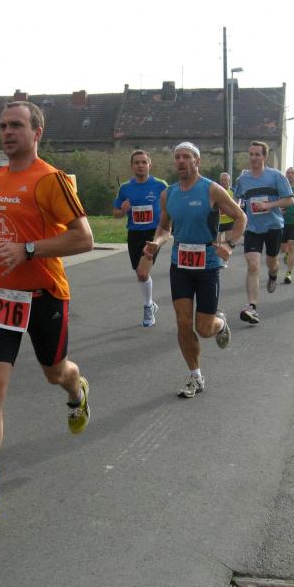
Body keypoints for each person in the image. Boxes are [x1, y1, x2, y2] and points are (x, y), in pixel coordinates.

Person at [0, 101, 94, 524]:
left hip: (45, 295)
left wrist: (28, 249)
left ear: (37, 133)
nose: (7, 132)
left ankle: (77, 391)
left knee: (56, 372)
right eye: (2, 126)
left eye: (16, 125)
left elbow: (84, 238)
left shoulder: (50, 180)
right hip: (2, 296)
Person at [143, 142, 246, 398]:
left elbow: (240, 218)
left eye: (186, 157)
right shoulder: (168, 194)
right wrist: (157, 243)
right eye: (177, 157)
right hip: (180, 264)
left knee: (204, 328)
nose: (181, 161)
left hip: (207, 265)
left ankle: (220, 324)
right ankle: (195, 376)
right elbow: (164, 227)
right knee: (183, 322)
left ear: (197, 162)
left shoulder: (211, 189)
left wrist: (230, 244)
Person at [234, 141, 294, 324]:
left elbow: (289, 200)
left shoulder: (276, 177)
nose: (253, 158)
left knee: (272, 262)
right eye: (251, 154)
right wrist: (236, 211)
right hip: (253, 228)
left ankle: (273, 274)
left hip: (273, 226)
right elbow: (237, 199)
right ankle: (252, 307)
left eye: (257, 154)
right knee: (253, 265)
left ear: (264, 157)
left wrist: (269, 205)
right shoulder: (242, 179)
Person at [113, 150, 168, 326]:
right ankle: (151, 304)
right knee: (139, 273)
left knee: (143, 273)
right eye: (137, 162)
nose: (140, 165)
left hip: (153, 233)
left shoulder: (160, 185)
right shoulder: (125, 188)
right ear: (132, 166)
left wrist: (167, 227)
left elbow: (170, 207)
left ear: (150, 165)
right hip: (134, 234)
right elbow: (115, 213)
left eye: (144, 162)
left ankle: (147, 308)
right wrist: (123, 209)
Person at [216, 172, 237, 266]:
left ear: (229, 181)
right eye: (222, 180)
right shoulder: (216, 191)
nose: (223, 182)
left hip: (229, 221)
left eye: (225, 180)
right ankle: (218, 260)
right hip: (218, 221)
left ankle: (225, 261)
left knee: (227, 243)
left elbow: (237, 204)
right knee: (217, 242)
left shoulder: (233, 192)